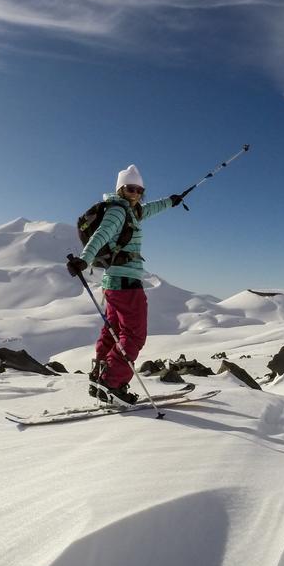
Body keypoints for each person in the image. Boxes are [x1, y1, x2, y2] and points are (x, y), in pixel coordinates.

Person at [66, 164, 186, 406]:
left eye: (140, 190)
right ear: (120, 189)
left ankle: (99, 379)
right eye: (131, 189)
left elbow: (149, 209)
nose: (136, 194)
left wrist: (172, 201)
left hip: (114, 284)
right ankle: (113, 383)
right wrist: (84, 259)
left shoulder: (131, 211)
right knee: (133, 335)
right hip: (126, 284)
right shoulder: (118, 211)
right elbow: (101, 234)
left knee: (112, 333)